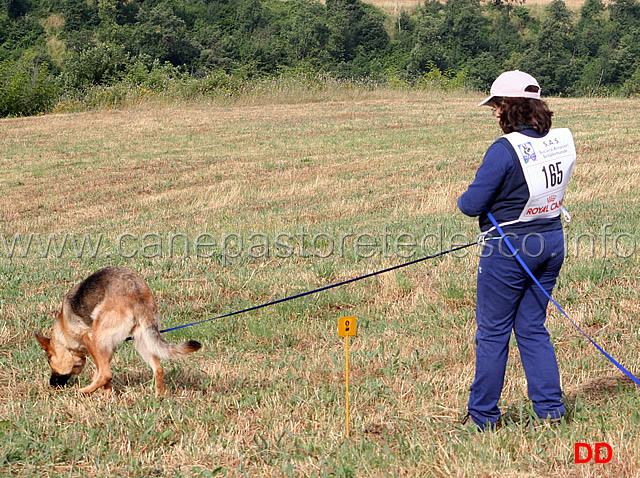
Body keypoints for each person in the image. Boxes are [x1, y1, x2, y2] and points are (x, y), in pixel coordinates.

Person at [457, 70, 576, 430]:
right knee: (532, 327)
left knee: (492, 332)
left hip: (510, 248)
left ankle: (482, 417)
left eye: (496, 105)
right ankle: (551, 411)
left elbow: (470, 203)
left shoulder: (504, 149)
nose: (494, 113)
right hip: (552, 242)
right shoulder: (559, 141)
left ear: (510, 106)